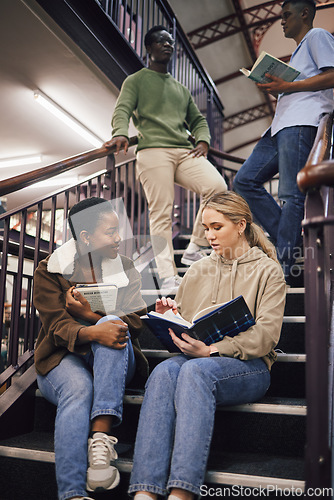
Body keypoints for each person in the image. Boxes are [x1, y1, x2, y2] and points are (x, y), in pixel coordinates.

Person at [128, 191, 287, 500]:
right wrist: (170, 317)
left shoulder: (268, 271)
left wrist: (212, 350)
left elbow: (267, 336)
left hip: (249, 367)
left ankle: (182, 491)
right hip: (198, 360)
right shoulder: (198, 270)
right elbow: (188, 322)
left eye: (217, 227)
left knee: (196, 372)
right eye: (205, 228)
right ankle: (145, 491)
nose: (209, 236)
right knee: (162, 372)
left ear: (241, 225)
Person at [33, 197, 149, 500]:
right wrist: (92, 331)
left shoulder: (125, 266)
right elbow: (56, 326)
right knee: (79, 388)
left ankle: (101, 436)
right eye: (110, 232)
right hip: (62, 359)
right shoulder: (51, 269)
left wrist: (89, 317)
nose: (118, 238)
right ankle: (72, 494)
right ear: (85, 238)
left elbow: (134, 321)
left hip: (117, 359)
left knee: (113, 321)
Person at [104, 25, 227, 293]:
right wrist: (120, 134)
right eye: (161, 41)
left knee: (218, 187)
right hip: (152, 151)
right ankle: (168, 276)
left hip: (183, 151)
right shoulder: (136, 80)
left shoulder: (180, 89)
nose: (168, 45)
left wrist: (203, 139)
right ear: (149, 48)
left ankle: (195, 246)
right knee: (162, 212)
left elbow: (197, 120)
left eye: (170, 42)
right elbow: (122, 109)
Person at [233, 0, 334, 282]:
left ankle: (285, 269)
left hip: (303, 123)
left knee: (290, 195)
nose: (282, 20)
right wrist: (281, 88)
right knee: (244, 181)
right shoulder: (300, 51)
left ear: (305, 13)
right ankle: (291, 242)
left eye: (286, 15)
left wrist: (288, 86)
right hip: (279, 127)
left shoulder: (317, 36)